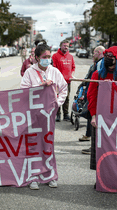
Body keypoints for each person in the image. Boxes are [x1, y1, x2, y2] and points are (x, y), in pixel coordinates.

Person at [20, 44, 68, 190]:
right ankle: (33, 177)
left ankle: (50, 175)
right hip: (34, 115)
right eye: (44, 57)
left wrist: (56, 104)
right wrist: (41, 86)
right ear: (37, 58)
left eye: (49, 57)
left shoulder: (55, 72)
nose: (47, 60)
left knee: (48, 145)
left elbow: (64, 89)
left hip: (49, 116)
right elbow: (23, 92)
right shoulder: (29, 72)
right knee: (34, 145)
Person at [87, 46, 117, 188]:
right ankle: (100, 178)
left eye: (111, 55)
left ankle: (115, 178)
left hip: (116, 120)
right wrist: (93, 116)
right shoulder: (97, 75)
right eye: (106, 55)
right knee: (100, 150)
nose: (107, 58)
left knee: (115, 151)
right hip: (99, 118)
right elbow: (91, 96)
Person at [80, 46, 105, 155]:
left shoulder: (100, 63)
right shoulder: (98, 63)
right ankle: (90, 138)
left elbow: (96, 79)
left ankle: (95, 147)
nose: (93, 55)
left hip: (96, 95)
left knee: (93, 118)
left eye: (94, 53)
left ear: (99, 52)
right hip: (94, 94)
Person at [52, 39, 76, 122]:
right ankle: (58, 115)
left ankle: (66, 114)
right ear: (60, 46)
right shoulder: (55, 56)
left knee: (67, 98)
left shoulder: (70, 56)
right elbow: (53, 68)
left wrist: (71, 75)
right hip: (58, 82)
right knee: (57, 97)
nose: (66, 47)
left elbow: (73, 67)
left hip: (68, 81)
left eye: (67, 46)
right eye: (64, 45)